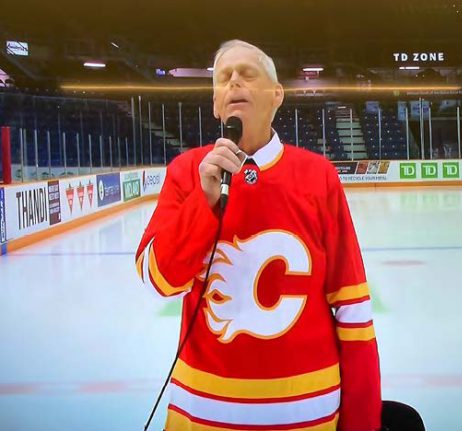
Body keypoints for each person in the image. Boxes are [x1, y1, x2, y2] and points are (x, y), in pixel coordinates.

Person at [136, 40, 382, 431]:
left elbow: (352, 309)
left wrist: (363, 423)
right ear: (216, 103)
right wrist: (203, 201)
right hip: (202, 411)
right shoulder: (187, 171)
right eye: (223, 78)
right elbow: (158, 281)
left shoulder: (318, 176)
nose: (235, 81)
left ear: (277, 95)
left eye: (248, 74)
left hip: (307, 412)